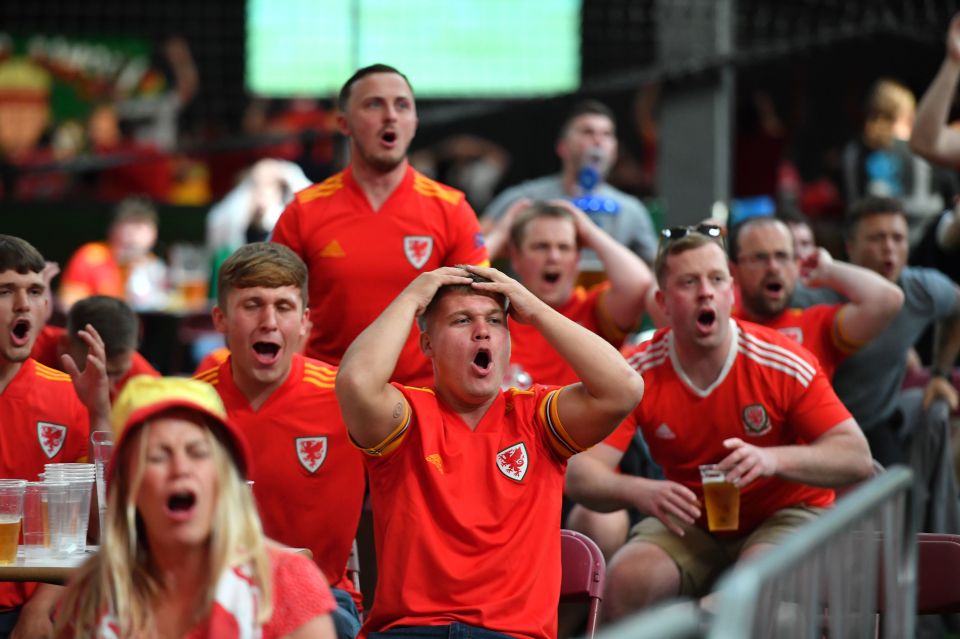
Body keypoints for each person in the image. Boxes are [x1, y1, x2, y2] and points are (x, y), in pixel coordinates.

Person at [564, 227, 873, 619]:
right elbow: (581, 475)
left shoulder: (782, 360)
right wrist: (639, 490)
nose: (705, 292)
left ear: (732, 292)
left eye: (716, 280)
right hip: (692, 520)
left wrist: (772, 460)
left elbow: (857, 455)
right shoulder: (637, 371)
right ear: (662, 303)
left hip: (785, 513)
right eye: (689, 282)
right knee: (625, 579)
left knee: (741, 595)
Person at [335, 265, 644, 639]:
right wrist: (413, 296)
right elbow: (356, 382)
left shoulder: (536, 417)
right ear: (427, 345)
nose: (482, 330)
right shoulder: (406, 417)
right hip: (411, 632)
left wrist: (535, 309)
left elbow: (623, 387)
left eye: (496, 321)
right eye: (462, 320)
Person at [53, 375, 336, 638]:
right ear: (129, 487)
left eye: (198, 453)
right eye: (158, 456)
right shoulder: (90, 594)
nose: (181, 468)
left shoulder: (286, 583)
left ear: (223, 479)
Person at [272, 64, 488, 387]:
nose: (390, 116)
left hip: (421, 398)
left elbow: (478, 315)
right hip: (328, 394)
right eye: (374, 104)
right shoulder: (303, 211)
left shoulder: (452, 209)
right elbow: (276, 314)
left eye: (402, 105)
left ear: (414, 122)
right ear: (343, 124)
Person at [195, 242, 364, 638]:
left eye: (283, 307)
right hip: (211, 593)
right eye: (252, 305)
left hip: (322, 595)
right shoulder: (191, 407)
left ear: (305, 322)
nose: (268, 321)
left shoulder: (347, 397)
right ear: (220, 318)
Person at [793, 196, 960, 466]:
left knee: (895, 486)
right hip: (812, 431)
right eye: (877, 238)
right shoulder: (811, 294)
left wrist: (940, 373)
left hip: (874, 422)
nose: (889, 248)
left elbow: (956, 308)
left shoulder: (921, 288)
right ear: (850, 247)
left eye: (898, 238)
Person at [0, 234, 109, 638]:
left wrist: (100, 412)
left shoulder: (69, 394)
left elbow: (99, 527)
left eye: (33, 290)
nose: (23, 304)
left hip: (32, 614)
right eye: (5, 291)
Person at [486, 199, 657, 387]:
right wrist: (500, 233)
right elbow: (454, 281)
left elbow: (639, 283)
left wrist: (590, 232)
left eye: (564, 247)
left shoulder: (592, 309)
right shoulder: (493, 316)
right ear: (516, 258)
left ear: (577, 259)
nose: (553, 257)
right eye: (541, 246)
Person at [481, 100, 658, 271]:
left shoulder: (631, 210)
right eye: (587, 132)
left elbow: (655, 274)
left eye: (606, 134)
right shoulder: (522, 199)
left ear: (615, 150)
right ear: (562, 147)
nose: (598, 141)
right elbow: (474, 252)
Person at [729, 215, 903, 379]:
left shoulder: (817, 324)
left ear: (797, 264)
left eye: (782, 256)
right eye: (759, 258)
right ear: (733, 271)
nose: (773, 267)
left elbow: (888, 299)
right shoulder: (722, 327)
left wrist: (829, 270)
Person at [31, 295, 160, 400]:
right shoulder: (25, 353)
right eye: (94, 372)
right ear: (65, 344)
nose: (106, 388)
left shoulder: (143, 379)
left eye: (117, 374)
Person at [59, 197, 169, 311]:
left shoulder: (154, 266)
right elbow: (70, 305)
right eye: (127, 224)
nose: (133, 234)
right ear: (112, 229)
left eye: (140, 226)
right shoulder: (91, 257)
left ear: (154, 234)